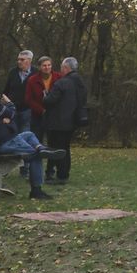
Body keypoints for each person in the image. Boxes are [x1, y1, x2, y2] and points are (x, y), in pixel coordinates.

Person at [0, 77, 64, 200]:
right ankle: (36, 191)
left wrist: (5, 118)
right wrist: (9, 103)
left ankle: (41, 147)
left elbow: (8, 117)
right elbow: (11, 113)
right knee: (36, 155)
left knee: (28, 134)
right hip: (1, 143)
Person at [41, 56, 87, 185]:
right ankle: (64, 174)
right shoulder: (80, 83)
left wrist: (45, 97)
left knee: (57, 148)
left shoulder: (61, 83)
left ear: (66, 68)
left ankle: (59, 175)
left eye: (62, 67)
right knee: (65, 148)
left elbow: (50, 101)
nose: (60, 70)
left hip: (58, 122)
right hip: (74, 120)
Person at [24, 56, 61, 142]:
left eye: (49, 65)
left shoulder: (59, 77)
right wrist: (41, 110)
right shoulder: (32, 80)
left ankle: (52, 155)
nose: (47, 67)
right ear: (39, 67)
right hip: (37, 116)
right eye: (44, 65)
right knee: (36, 140)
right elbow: (28, 99)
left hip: (54, 116)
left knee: (53, 141)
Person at [4, 50, 35, 133]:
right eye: (18, 59)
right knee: (12, 132)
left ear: (29, 60)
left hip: (27, 110)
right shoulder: (13, 72)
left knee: (25, 133)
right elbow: (6, 90)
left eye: (22, 60)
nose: (19, 62)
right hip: (13, 109)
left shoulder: (36, 73)